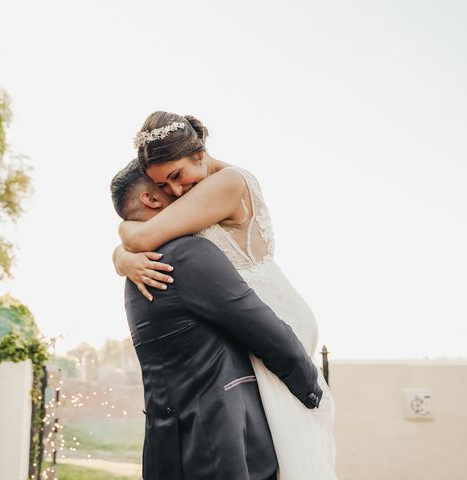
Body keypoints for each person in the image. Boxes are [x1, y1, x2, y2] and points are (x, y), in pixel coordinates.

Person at [113, 112, 338, 479]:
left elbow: (140, 236)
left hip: (270, 309)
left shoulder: (228, 182)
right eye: (162, 186)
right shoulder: (194, 192)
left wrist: (122, 254)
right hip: (250, 310)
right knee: (286, 435)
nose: (175, 192)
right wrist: (121, 257)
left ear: (200, 153)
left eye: (175, 176)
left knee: (291, 431)